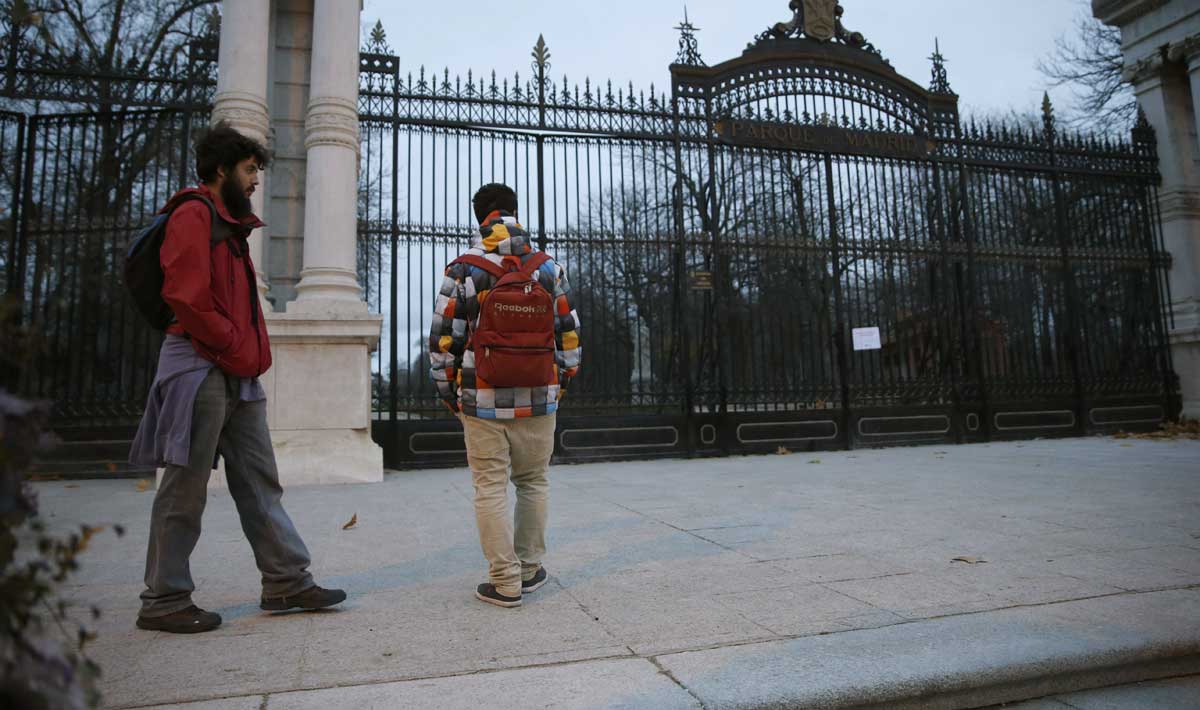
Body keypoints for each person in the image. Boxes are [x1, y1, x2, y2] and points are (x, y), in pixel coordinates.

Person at [129, 122, 345, 633]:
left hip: (235, 371)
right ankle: (163, 600)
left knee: (258, 480)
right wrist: (231, 344)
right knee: (184, 490)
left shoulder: (232, 225)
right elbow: (186, 295)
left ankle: (287, 582)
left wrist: (242, 353)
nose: (255, 181)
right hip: (198, 366)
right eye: (249, 170)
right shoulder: (192, 214)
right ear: (221, 169)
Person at [429, 183, 582, 607]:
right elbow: (569, 336)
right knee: (533, 481)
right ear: (515, 212)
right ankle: (530, 571)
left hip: (482, 397)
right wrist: (559, 384)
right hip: (539, 394)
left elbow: (444, 340)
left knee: (490, 488)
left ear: (480, 218)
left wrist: (450, 394)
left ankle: (504, 581)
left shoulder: (464, 267)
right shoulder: (548, 268)